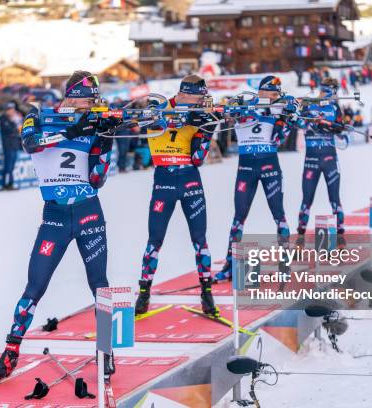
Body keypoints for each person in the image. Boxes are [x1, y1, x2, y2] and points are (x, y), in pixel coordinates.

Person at [0, 71, 119, 382]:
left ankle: (106, 350)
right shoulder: (38, 116)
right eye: (89, 97)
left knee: (99, 283)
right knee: (34, 287)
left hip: (88, 212)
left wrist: (104, 141)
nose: (93, 103)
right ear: (72, 95)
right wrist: (72, 131)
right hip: (55, 218)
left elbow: (97, 179)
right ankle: (10, 352)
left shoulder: (92, 122)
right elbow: (31, 143)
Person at [134, 74, 220, 317]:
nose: (202, 102)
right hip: (164, 180)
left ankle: (206, 293)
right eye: (198, 97)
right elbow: (144, 124)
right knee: (155, 240)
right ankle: (144, 294)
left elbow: (198, 158)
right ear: (184, 94)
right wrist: (163, 118)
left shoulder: (201, 114)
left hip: (190, 179)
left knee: (199, 239)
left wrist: (207, 128)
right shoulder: (160, 107)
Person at [215, 75, 294, 281]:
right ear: (261, 91)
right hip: (246, 167)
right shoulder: (244, 102)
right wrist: (243, 110)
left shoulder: (279, 108)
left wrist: (287, 115)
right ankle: (229, 265)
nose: (277, 96)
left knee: (279, 214)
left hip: (270, 165)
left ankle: (285, 265)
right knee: (239, 217)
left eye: (278, 93)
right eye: (273, 93)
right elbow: (227, 111)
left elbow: (279, 139)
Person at [296, 77, 346, 247]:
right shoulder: (309, 104)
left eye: (332, 93)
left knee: (335, 199)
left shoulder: (334, 107)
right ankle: (300, 238)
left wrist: (324, 125)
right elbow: (299, 123)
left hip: (330, 158)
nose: (329, 95)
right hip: (311, 159)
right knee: (307, 200)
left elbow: (340, 128)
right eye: (326, 91)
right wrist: (310, 121)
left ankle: (340, 237)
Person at [0, 101, 23, 190]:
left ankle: (10, 183)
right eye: (10, 110)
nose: (12, 111)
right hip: (8, 145)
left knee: (12, 166)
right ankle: (5, 184)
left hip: (14, 145)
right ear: (7, 110)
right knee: (8, 166)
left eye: (13, 109)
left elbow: (18, 130)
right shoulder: (3, 119)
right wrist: (16, 129)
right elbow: (9, 130)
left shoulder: (14, 119)